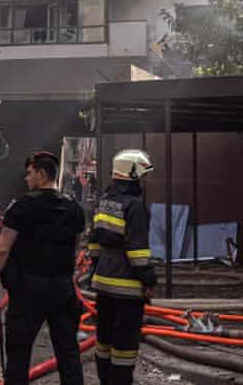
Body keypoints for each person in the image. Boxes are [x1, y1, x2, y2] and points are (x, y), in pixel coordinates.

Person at [0, 151, 86, 385]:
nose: (26, 179)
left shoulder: (21, 206)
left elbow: (2, 250)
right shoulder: (73, 208)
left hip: (28, 291)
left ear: (41, 174)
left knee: (18, 357)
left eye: (29, 174)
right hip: (62, 290)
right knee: (69, 354)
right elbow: (75, 246)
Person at [88, 150, 156, 385]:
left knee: (103, 340)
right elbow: (138, 252)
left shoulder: (103, 201)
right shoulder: (135, 206)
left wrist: (95, 271)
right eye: (142, 175)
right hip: (128, 289)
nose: (144, 180)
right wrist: (148, 280)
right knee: (125, 347)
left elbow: (94, 243)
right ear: (133, 174)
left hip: (103, 285)